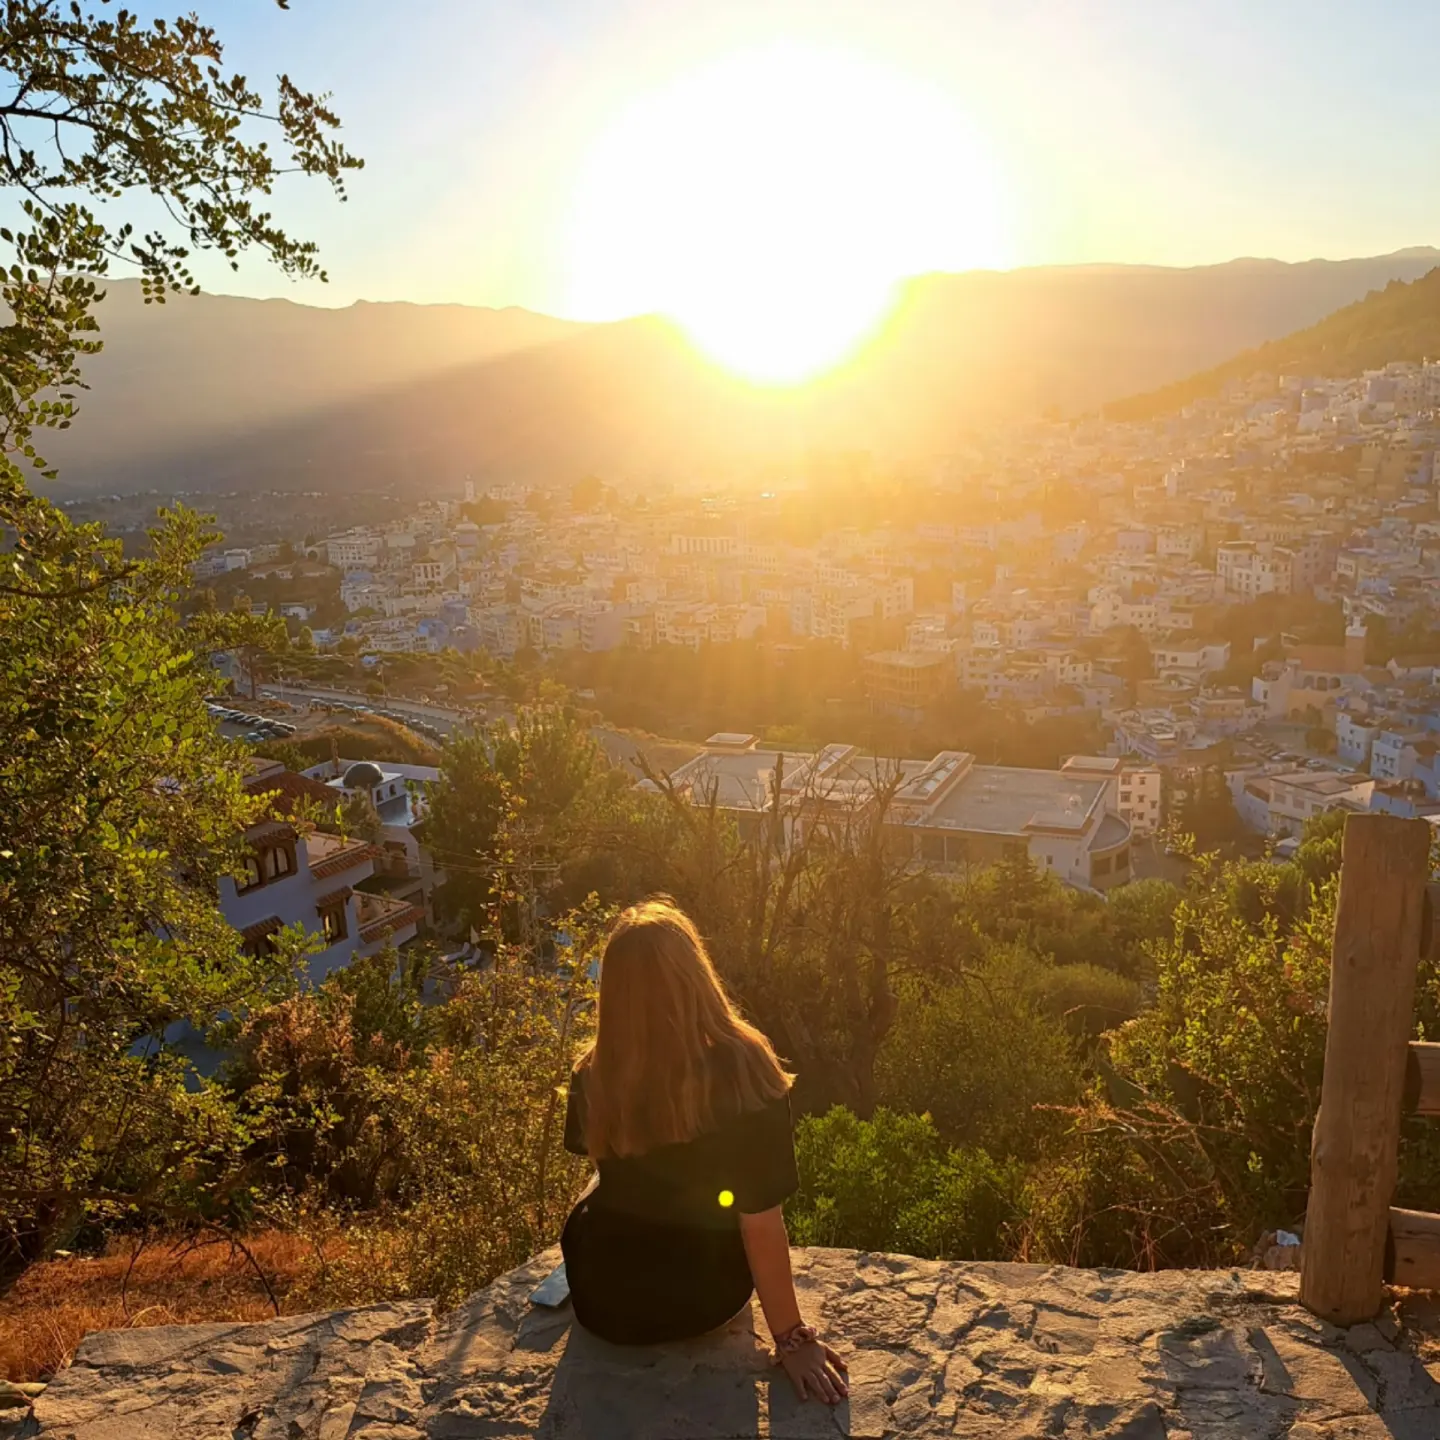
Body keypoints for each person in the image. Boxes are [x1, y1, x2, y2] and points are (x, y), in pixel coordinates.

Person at [560, 898, 850, 1406]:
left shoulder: (594, 1072)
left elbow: (604, 1166)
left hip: (603, 1301)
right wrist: (791, 1338)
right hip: (705, 1299)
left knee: (594, 1194)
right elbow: (760, 1223)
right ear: (697, 975)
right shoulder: (746, 1072)